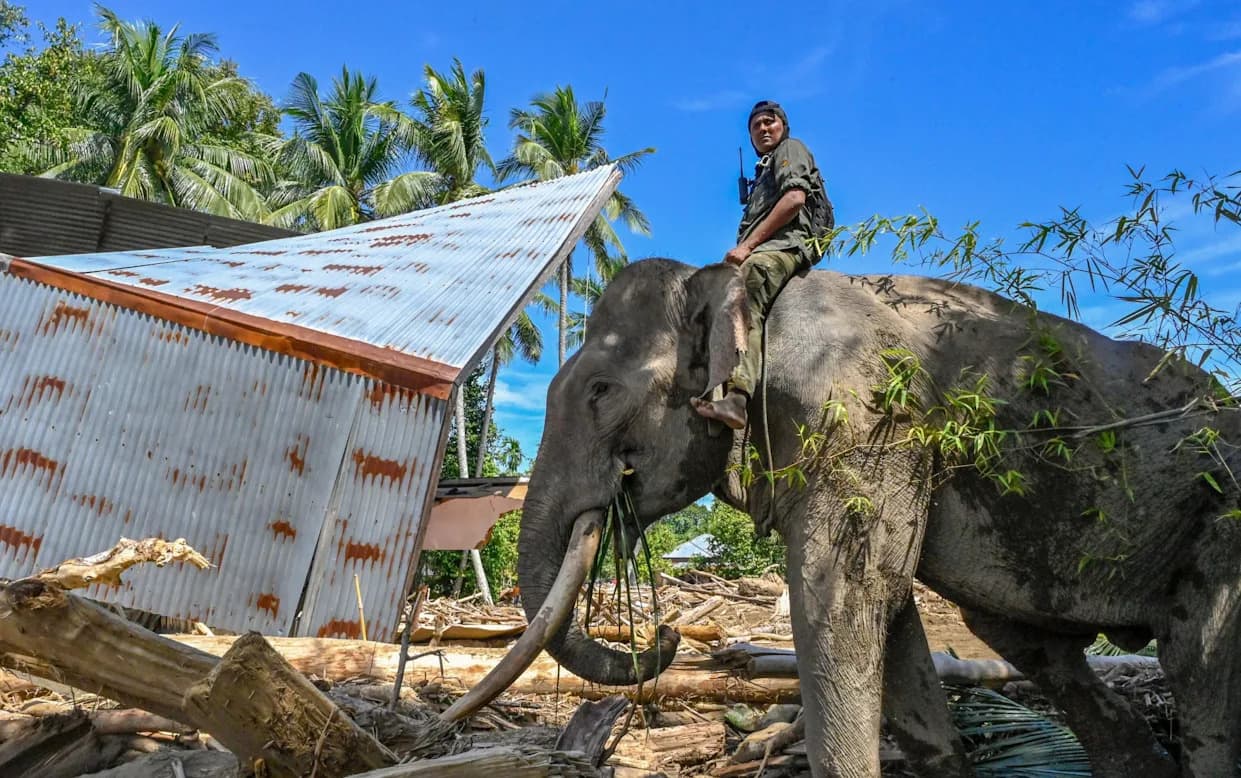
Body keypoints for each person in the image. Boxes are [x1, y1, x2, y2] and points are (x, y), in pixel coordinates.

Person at [692, 100, 829, 430]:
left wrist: (748, 246)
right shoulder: (764, 169)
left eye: (770, 122)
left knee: (747, 283)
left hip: (788, 245)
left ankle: (738, 396)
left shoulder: (791, 149)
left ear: (783, 127)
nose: (764, 129)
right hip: (770, 245)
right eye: (756, 126)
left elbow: (795, 199)